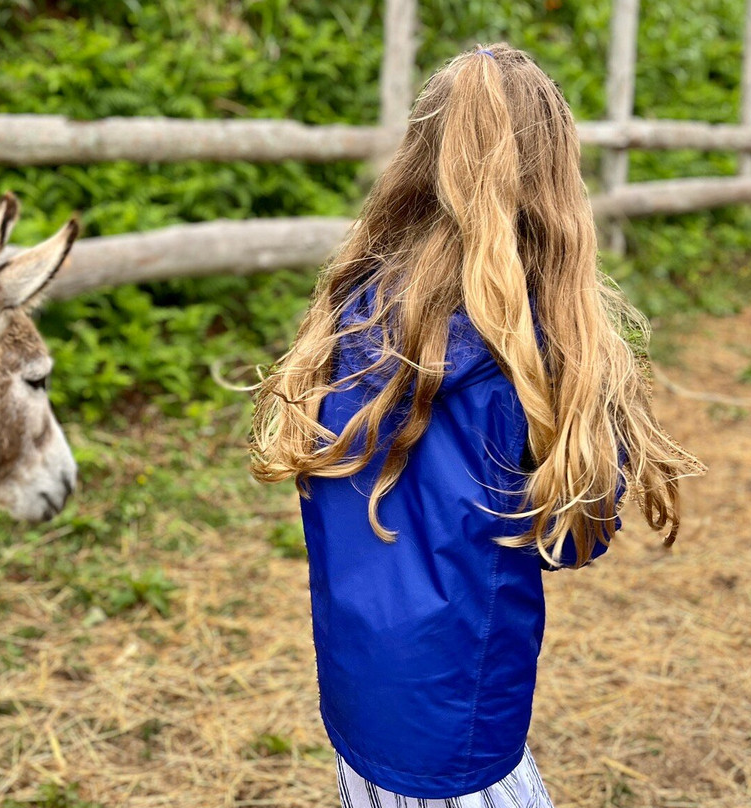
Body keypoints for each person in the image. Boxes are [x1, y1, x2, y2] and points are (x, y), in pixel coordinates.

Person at [249, 43, 704, 808]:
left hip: (360, 694)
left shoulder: (352, 310)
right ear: (555, 178)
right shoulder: (526, 355)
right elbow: (573, 536)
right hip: (458, 719)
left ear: (419, 158)